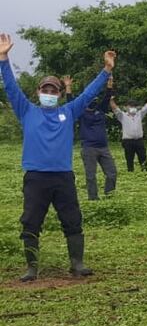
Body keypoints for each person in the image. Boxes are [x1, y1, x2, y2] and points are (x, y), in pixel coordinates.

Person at [0, 32, 115, 281]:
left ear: (61, 93)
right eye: (45, 89)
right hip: (36, 178)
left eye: (53, 89)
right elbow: (11, 87)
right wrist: (3, 58)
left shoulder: (69, 111)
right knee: (30, 223)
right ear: (38, 92)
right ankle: (31, 267)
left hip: (63, 177)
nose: (49, 92)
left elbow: (87, 94)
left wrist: (106, 70)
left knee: (72, 220)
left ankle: (77, 263)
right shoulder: (27, 111)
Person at [64, 75, 117, 200]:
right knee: (90, 175)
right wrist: (68, 86)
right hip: (89, 148)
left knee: (112, 173)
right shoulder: (81, 112)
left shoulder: (101, 109)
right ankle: (93, 198)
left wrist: (110, 83)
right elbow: (70, 102)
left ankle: (109, 196)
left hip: (104, 148)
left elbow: (107, 96)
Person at [110, 90, 147, 172]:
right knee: (129, 159)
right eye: (130, 106)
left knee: (143, 157)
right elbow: (115, 108)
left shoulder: (139, 114)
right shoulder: (122, 116)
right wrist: (111, 100)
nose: (132, 108)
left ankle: (145, 172)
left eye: (134, 106)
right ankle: (130, 172)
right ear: (126, 107)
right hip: (128, 141)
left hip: (139, 140)